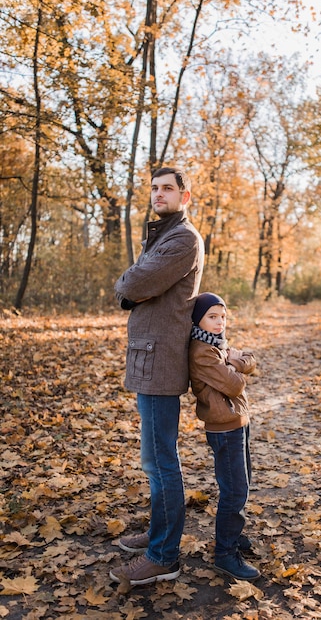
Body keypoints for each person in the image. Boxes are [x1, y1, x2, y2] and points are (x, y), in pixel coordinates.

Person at [110, 167, 204, 587]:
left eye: (168, 189)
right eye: (155, 188)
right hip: (145, 358)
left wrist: (128, 284)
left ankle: (164, 555)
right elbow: (135, 286)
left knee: (163, 461)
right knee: (153, 461)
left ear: (185, 197)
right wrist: (131, 285)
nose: (159, 194)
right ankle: (156, 534)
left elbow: (136, 282)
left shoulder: (183, 238)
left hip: (161, 361)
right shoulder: (161, 236)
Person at [188, 292, 261, 581]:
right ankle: (225, 553)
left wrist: (235, 360)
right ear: (199, 320)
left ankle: (234, 533)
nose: (220, 322)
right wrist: (235, 364)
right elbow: (234, 385)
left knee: (243, 484)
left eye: (223, 316)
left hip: (238, 421)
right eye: (212, 317)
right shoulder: (202, 351)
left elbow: (251, 360)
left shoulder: (218, 344)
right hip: (224, 428)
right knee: (234, 490)